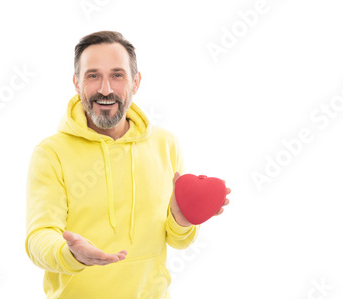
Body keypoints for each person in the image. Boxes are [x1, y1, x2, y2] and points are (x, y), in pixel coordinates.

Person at [25, 30, 230, 299]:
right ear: (76, 83)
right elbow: (38, 237)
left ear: (136, 82)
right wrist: (70, 254)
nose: (105, 89)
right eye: (93, 75)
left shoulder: (165, 144)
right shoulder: (51, 153)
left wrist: (182, 220)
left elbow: (178, 239)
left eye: (117, 75)